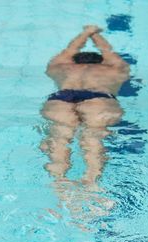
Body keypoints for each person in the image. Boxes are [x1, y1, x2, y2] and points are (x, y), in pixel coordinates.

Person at [41, 25, 130, 186]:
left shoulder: (60, 67)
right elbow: (108, 52)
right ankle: (91, 181)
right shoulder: (115, 69)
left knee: (60, 136)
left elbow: (69, 50)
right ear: (102, 62)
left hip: (61, 98)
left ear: (73, 61)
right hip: (99, 99)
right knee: (92, 136)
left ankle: (59, 180)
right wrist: (95, 34)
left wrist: (86, 32)